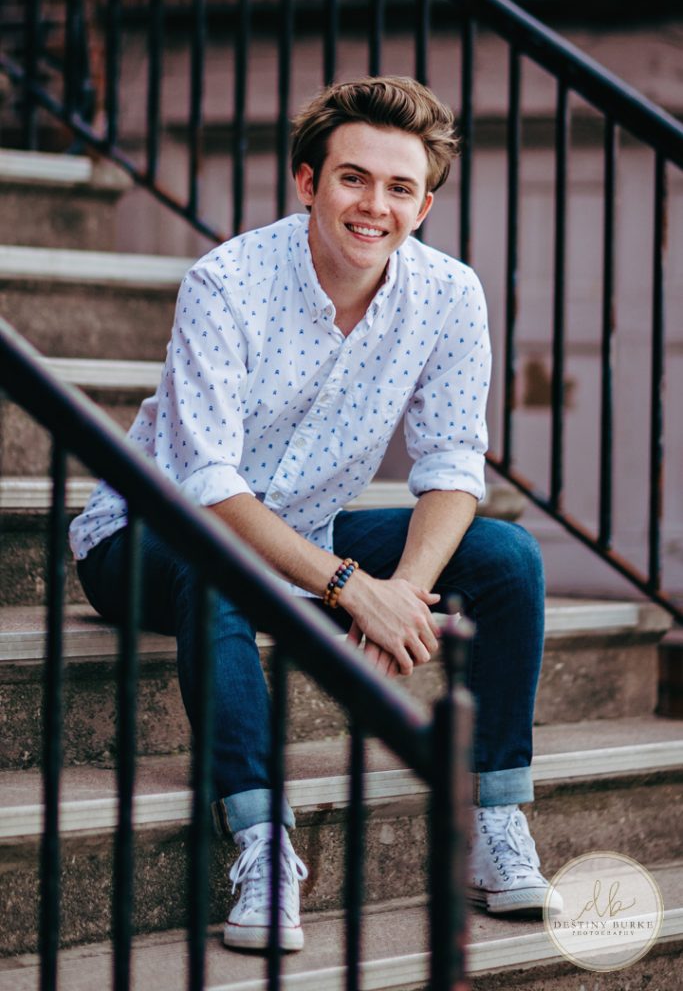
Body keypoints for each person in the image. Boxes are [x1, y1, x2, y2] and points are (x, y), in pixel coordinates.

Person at [70, 75, 560, 953]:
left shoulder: (448, 296)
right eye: (352, 178)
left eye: (399, 187)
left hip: (306, 526)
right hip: (145, 536)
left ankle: (495, 821)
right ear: (308, 183)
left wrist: (401, 591)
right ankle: (263, 845)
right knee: (219, 564)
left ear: (426, 202)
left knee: (506, 559)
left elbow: (452, 462)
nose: (374, 205)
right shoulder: (228, 283)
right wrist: (345, 587)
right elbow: (208, 487)